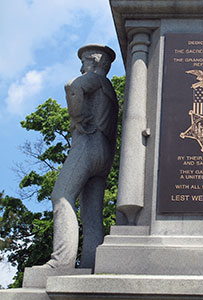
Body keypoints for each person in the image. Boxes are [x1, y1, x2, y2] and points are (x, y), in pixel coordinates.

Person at [43, 44, 118, 269]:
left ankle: (60, 262)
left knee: (62, 196)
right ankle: (92, 266)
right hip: (104, 154)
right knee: (91, 213)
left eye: (85, 61)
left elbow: (72, 87)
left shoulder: (94, 80)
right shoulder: (111, 92)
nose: (81, 66)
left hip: (87, 144)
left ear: (95, 62)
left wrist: (77, 116)